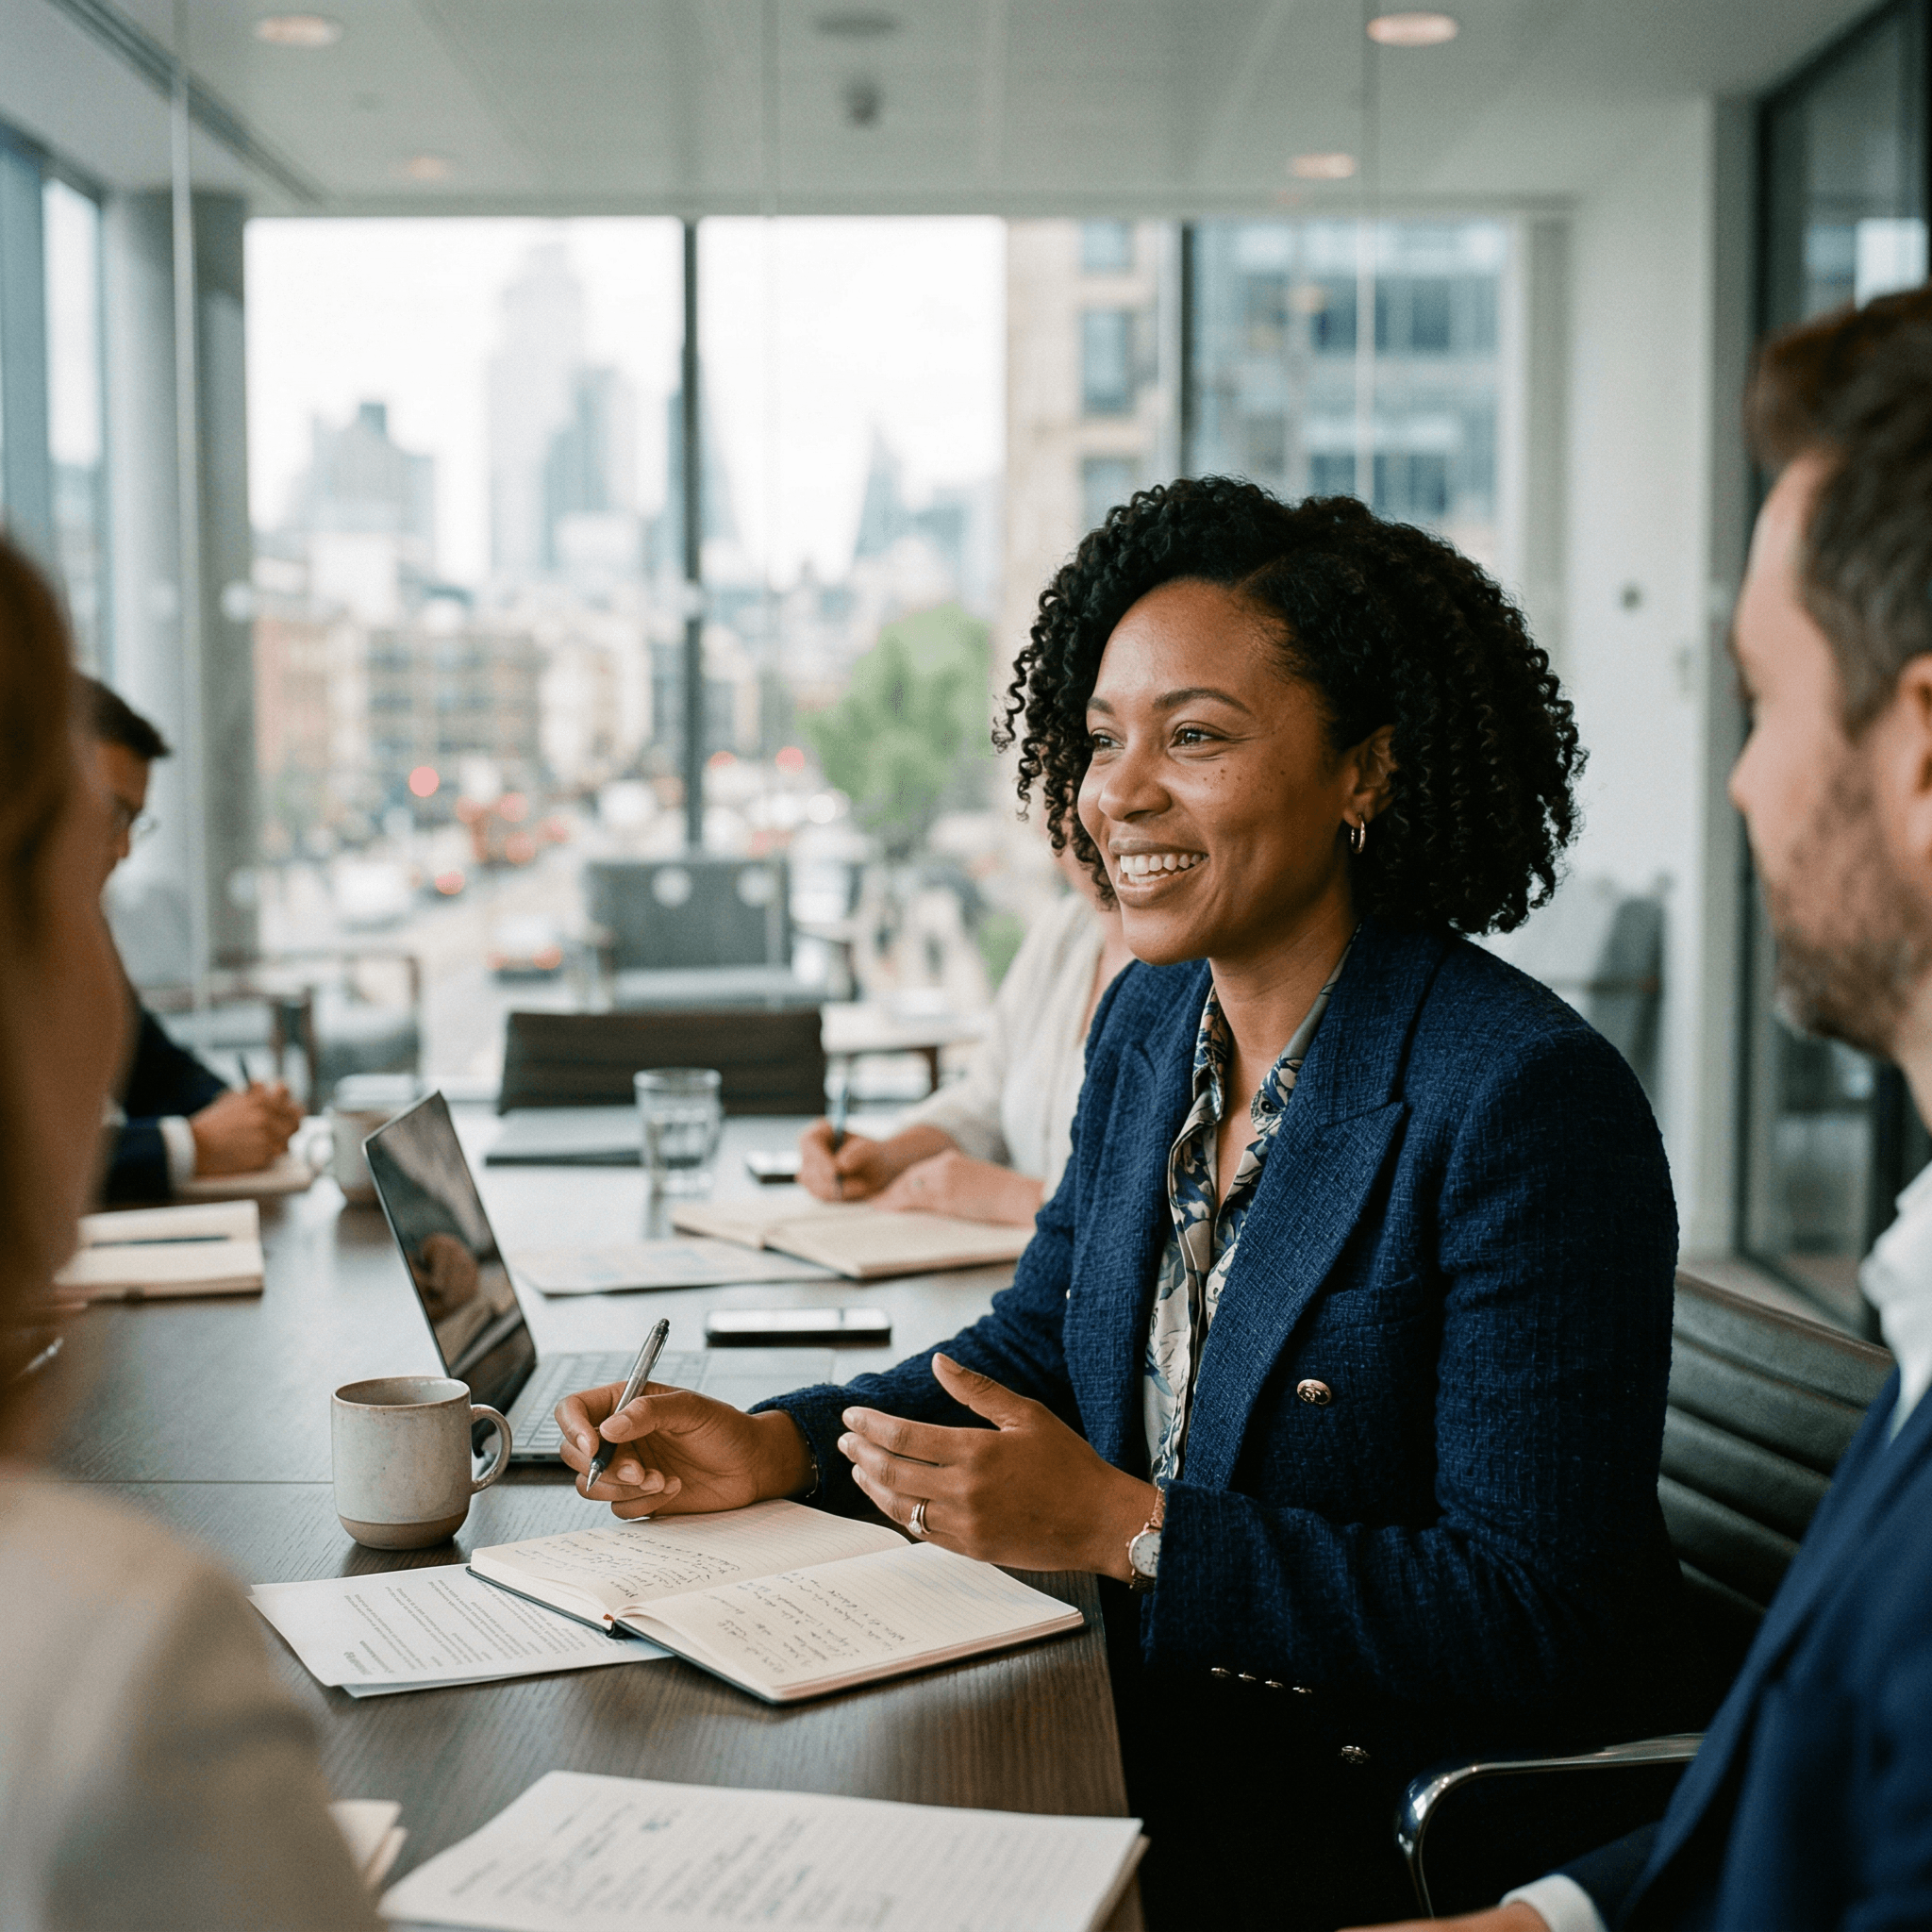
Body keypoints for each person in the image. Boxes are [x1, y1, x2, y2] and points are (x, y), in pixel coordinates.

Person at [557, 478, 1696, 1929]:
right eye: (1102, 741)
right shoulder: (1155, 1026)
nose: (1121, 792)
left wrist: (1134, 1531)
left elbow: (1543, 1618)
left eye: (1198, 736)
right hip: (1136, 1728)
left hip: (1358, 1827)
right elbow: (1042, 1344)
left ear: (1367, 772)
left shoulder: (1521, 1100)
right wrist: (781, 1445)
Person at [1350, 291, 1932, 1932]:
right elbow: (1803, 1785)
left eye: (1759, 701)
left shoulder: (1511, 1090)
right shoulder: (1919, 1278)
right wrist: (1542, 1923)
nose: (1738, 782)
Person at [0, 541, 379, 1928]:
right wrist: (180, 1145)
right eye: (78, 824)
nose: (109, 857)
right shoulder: (116, 1665)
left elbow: (174, 1081)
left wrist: (232, 1119)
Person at [796, 841, 1135, 1224]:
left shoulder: (1188, 969)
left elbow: (1165, 1213)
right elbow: (984, 1105)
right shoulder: (1065, 929)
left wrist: (1015, 1198)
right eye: (1053, 796)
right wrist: (886, 1157)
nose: (1063, 826)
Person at [85, 677, 301, 1201]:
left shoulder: (78, 930)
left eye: (134, 823)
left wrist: (245, 1115)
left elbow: (148, 1066)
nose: (123, 850)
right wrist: (193, 1144)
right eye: (113, 814)